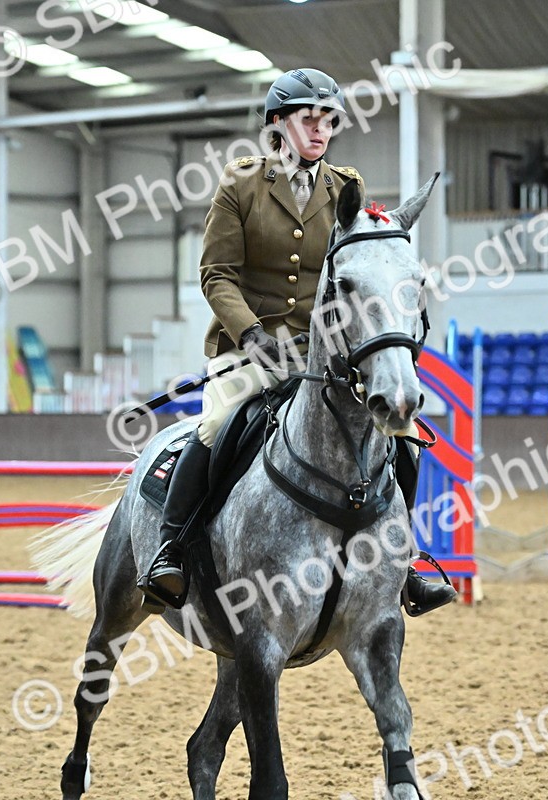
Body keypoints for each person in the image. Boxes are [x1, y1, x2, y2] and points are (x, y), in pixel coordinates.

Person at [137, 68, 456, 616]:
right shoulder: (241, 185)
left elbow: (364, 262)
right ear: (279, 124)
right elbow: (216, 274)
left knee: (397, 431)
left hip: (325, 352)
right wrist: (252, 334)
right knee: (217, 425)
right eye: (309, 119)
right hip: (250, 346)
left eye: (329, 121)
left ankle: (404, 563)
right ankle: (172, 549)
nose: (320, 131)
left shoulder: (346, 189)